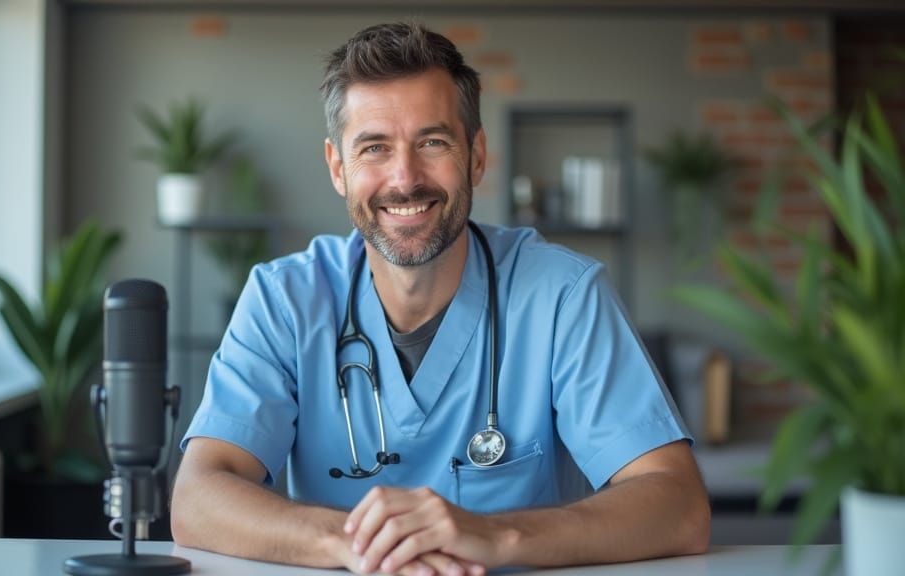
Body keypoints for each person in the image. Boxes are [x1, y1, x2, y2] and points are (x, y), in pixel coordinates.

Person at [172, 21, 710, 576]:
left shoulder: (563, 295)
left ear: (476, 155)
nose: (405, 178)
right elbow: (197, 498)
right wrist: (357, 546)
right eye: (374, 148)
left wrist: (494, 535)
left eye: (432, 142)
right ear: (338, 168)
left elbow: (679, 505)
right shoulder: (284, 299)